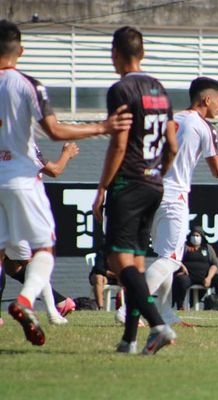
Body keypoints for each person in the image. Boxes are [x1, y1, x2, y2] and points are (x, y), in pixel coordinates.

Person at [0, 20, 131, 346]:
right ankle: (26, 301)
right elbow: (55, 130)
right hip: (20, 178)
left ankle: (44, 306)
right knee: (44, 248)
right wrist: (102, 127)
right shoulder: (27, 84)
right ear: (21, 50)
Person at [143, 76, 218, 327]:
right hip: (174, 195)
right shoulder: (202, 126)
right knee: (171, 259)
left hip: (150, 191)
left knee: (164, 256)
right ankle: (130, 309)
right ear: (206, 99)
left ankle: (165, 313)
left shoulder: (171, 119)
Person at [92, 26, 178, 355]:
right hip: (154, 183)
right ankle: (129, 339)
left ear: (116, 53)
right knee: (137, 265)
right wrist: (158, 173)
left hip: (128, 182)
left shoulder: (121, 89)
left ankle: (158, 326)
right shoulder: (160, 89)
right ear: (141, 52)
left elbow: (119, 142)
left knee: (118, 260)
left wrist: (102, 187)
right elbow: (172, 144)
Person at [1, 143, 80, 324]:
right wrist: (67, 153)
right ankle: (54, 311)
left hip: (7, 202)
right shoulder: (23, 140)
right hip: (21, 203)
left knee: (13, 263)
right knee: (35, 259)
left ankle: (55, 307)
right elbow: (55, 170)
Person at [172, 228, 218, 310]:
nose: (195, 237)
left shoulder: (208, 248)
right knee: (181, 281)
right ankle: (180, 305)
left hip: (204, 277)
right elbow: (175, 259)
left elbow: (214, 265)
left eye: (197, 235)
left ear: (202, 237)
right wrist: (182, 266)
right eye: (193, 235)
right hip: (188, 276)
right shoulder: (184, 247)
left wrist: (209, 277)